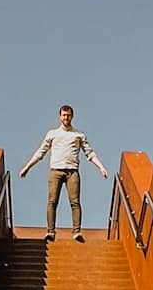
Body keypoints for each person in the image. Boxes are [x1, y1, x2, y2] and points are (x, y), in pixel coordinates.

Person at [19, 104, 109, 242]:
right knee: (52, 201)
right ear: (60, 117)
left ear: (72, 117)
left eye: (68, 115)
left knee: (75, 202)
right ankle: (50, 232)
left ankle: (77, 231)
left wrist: (101, 167)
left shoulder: (78, 135)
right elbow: (41, 152)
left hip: (72, 172)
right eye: (64, 115)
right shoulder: (52, 134)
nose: (66, 117)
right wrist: (28, 167)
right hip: (56, 171)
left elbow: (89, 153)